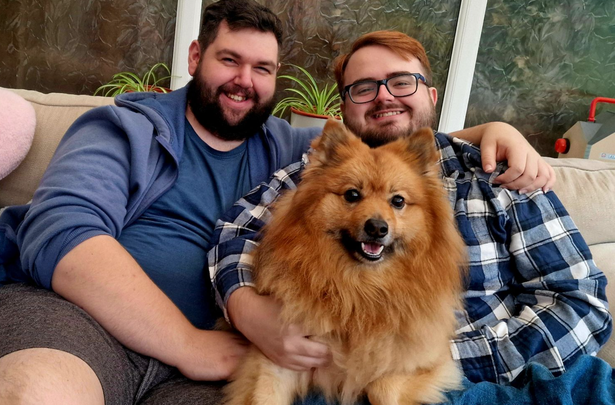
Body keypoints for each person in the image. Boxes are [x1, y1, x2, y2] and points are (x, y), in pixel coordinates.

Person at [0, 2, 558, 405]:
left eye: (263, 69)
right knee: (36, 393)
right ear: (197, 57)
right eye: (230, 59)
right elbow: (62, 235)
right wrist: (190, 343)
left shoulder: (292, 148)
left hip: (208, 365)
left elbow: (392, 156)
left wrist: (487, 134)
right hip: (80, 322)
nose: (244, 81)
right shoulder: (125, 128)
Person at [208, 28, 612, 399]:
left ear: (431, 96)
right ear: (345, 106)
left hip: (492, 380)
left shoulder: (500, 175)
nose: (384, 96)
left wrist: (424, 356)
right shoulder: (318, 170)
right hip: (335, 375)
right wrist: (247, 309)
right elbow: (234, 232)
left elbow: (582, 306)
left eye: (402, 82)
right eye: (364, 88)